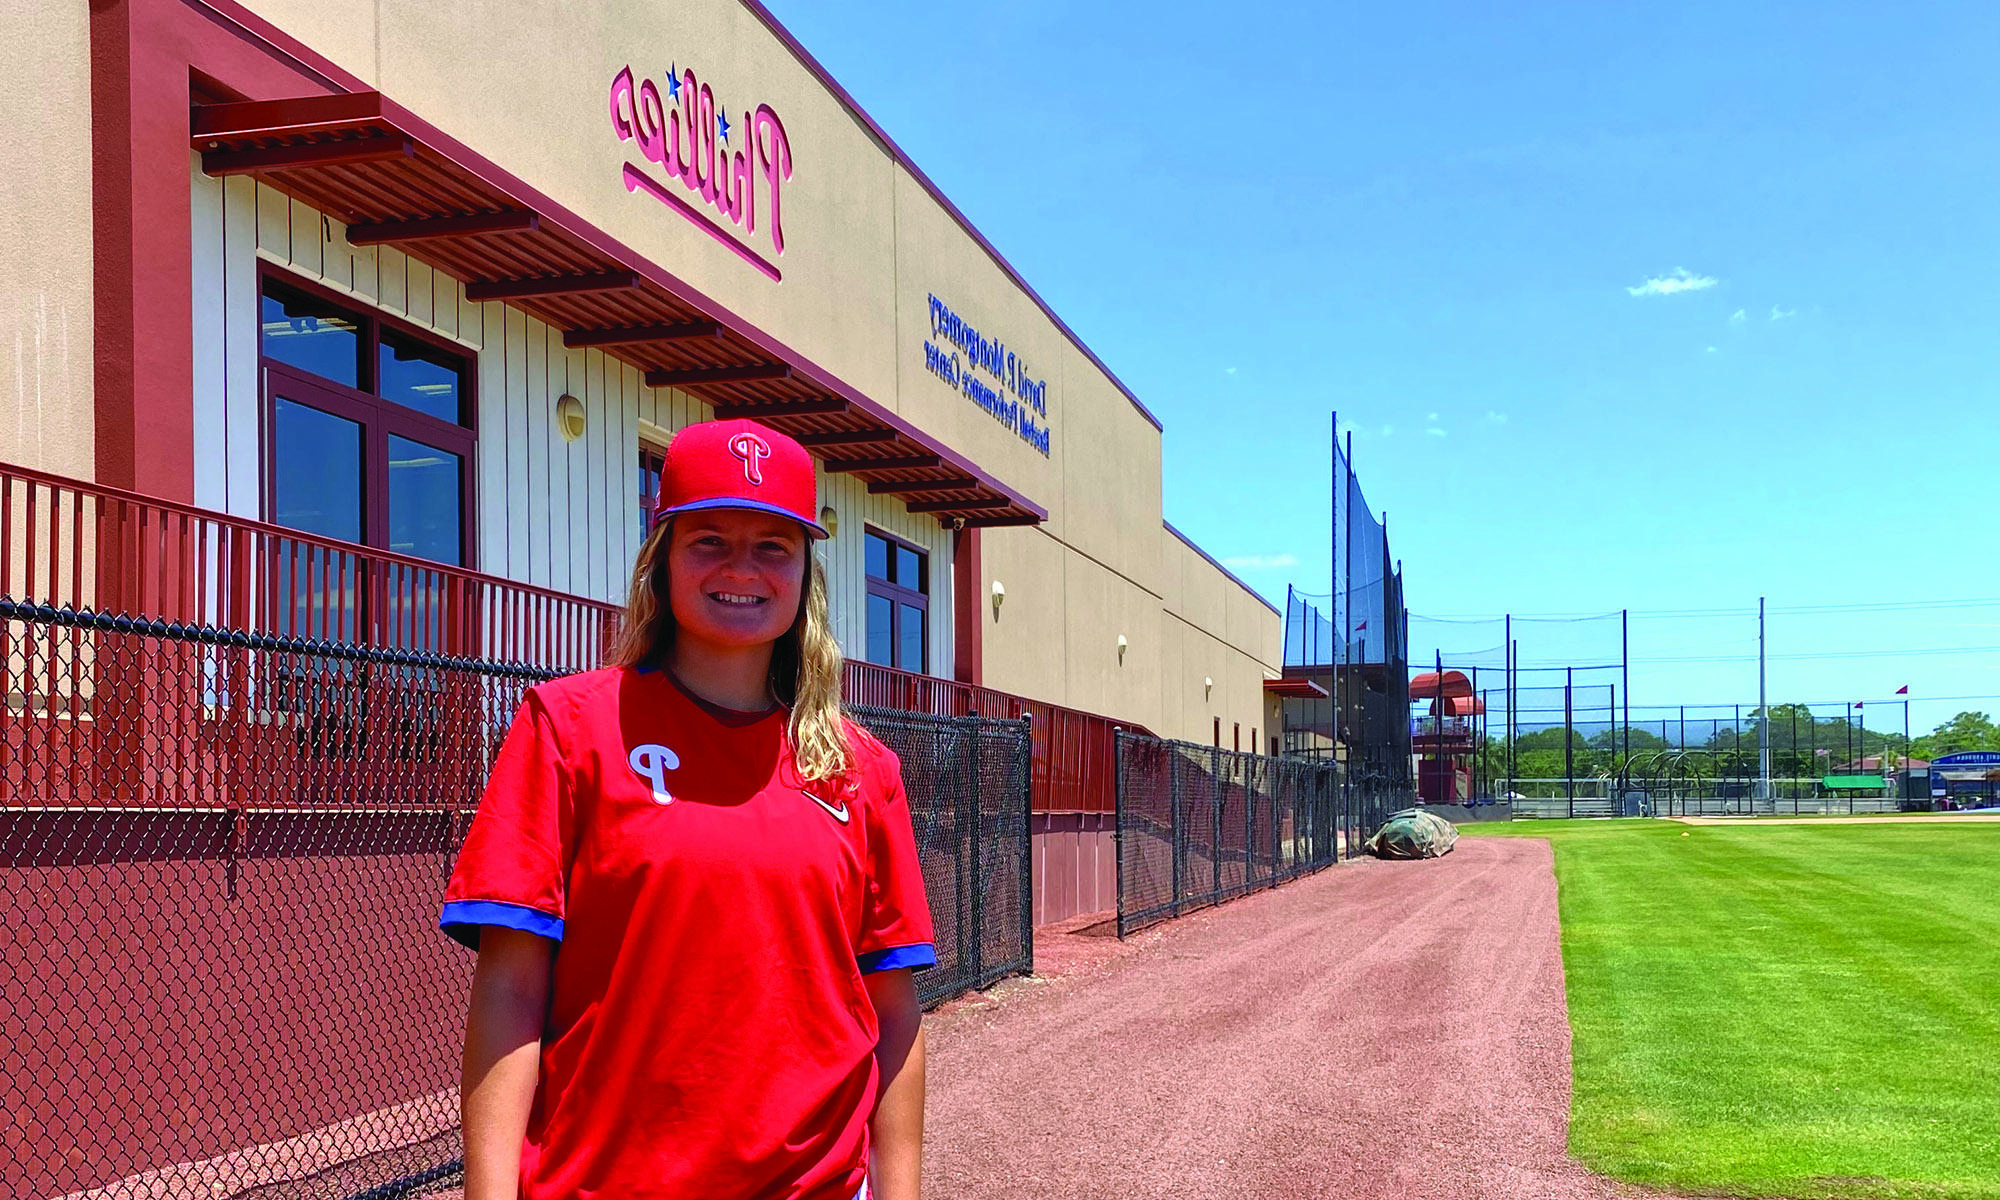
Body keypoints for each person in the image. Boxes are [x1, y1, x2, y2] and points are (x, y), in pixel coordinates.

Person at [441, 418, 935, 1200]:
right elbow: (510, 990)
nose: (742, 566)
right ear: (662, 559)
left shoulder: (861, 768)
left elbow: (893, 1011)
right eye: (709, 538)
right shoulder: (567, 728)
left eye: (774, 544)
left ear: (805, 572)